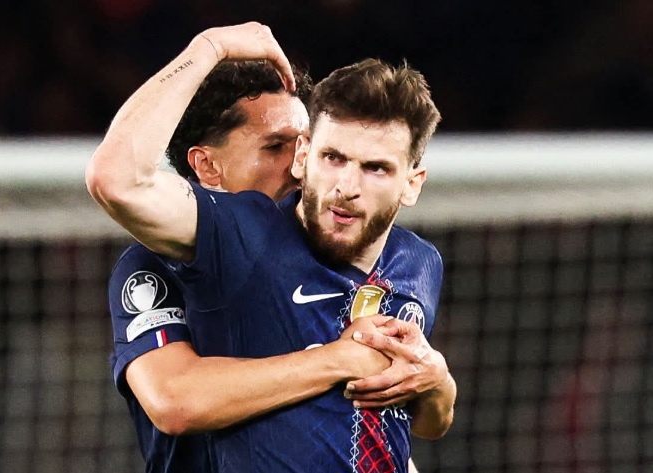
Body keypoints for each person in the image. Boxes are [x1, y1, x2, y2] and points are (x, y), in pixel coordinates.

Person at [87, 22, 456, 473]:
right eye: (277, 147)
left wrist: (438, 383)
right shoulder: (195, 252)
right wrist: (209, 47)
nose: (304, 171)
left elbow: (398, 420)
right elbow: (175, 401)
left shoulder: (415, 260)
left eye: (375, 167)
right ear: (207, 165)